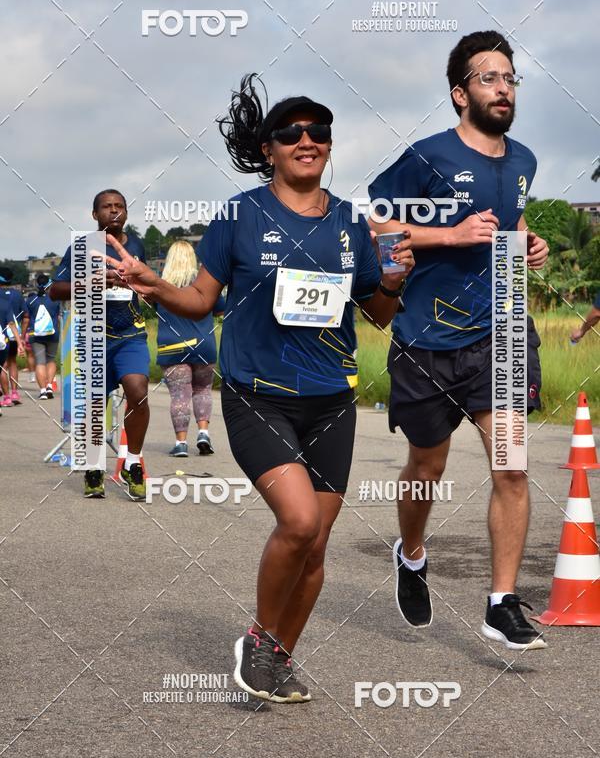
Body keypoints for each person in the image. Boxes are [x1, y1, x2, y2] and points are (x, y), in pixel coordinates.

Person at [102, 73, 414, 703]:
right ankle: (259, 638)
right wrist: (153, 282)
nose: (307, 140)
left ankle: (276, 658)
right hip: (257, 393)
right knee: (298, 523)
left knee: (317, 545)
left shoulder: (350, 224)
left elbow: (376, 314)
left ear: (329, 144)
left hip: (331, 397)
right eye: (291, 133)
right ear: (269, 148)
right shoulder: (240, 216)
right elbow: (198, 302)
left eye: (318, 131)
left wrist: (395, 279)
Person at [368, 30, 549, 651]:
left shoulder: (523, 160)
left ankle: (502, 602)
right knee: (427, 466)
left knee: (513, 464)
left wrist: (527, 240)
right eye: (489, 78)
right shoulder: (427, 157)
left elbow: (509, 220)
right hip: (426, 337)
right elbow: (378, 226)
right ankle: (412, 554)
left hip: (499, 332)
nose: (503, 88)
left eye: (510, 79)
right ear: (459, 93)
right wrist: (451, 235)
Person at [49, 189, 150, 500]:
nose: (114, 211)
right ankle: (94, 466)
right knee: (95, 405)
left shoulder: (136, 245)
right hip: (94, 336)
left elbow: (144, 283)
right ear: (95, 214)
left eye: (119, 206)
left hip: (131, 334)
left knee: (138, 392)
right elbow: (56, 290)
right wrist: (98, 280)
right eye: (107, 207)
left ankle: (132, 462)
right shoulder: (81, 247)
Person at [156, 240, 225, 457]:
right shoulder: (205, 284)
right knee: (203, 389)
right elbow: (220, 310)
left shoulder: (159, 284)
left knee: (180, 395)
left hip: (172, 347)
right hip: (203, 345)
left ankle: (181, 444)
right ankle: (203, 433)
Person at [26, 274, 61, 399]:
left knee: (40, 362)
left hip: (36, 335)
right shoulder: (55, 299)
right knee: (50, 360)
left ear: (36, 284)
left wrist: (22, 334)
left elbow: (26, 319)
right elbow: (58, 317)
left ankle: (42, 391)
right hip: (52, 334)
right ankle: (50, 386)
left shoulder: (30, 300)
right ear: (49, 285)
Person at [0, 267, 27, 406]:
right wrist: (21, 338)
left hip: (2, 337)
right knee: (12, 363)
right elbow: (26, 316)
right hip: (13, 334)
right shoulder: (17, 295)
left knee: (3, 366)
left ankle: (6, 396)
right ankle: (15, 392)